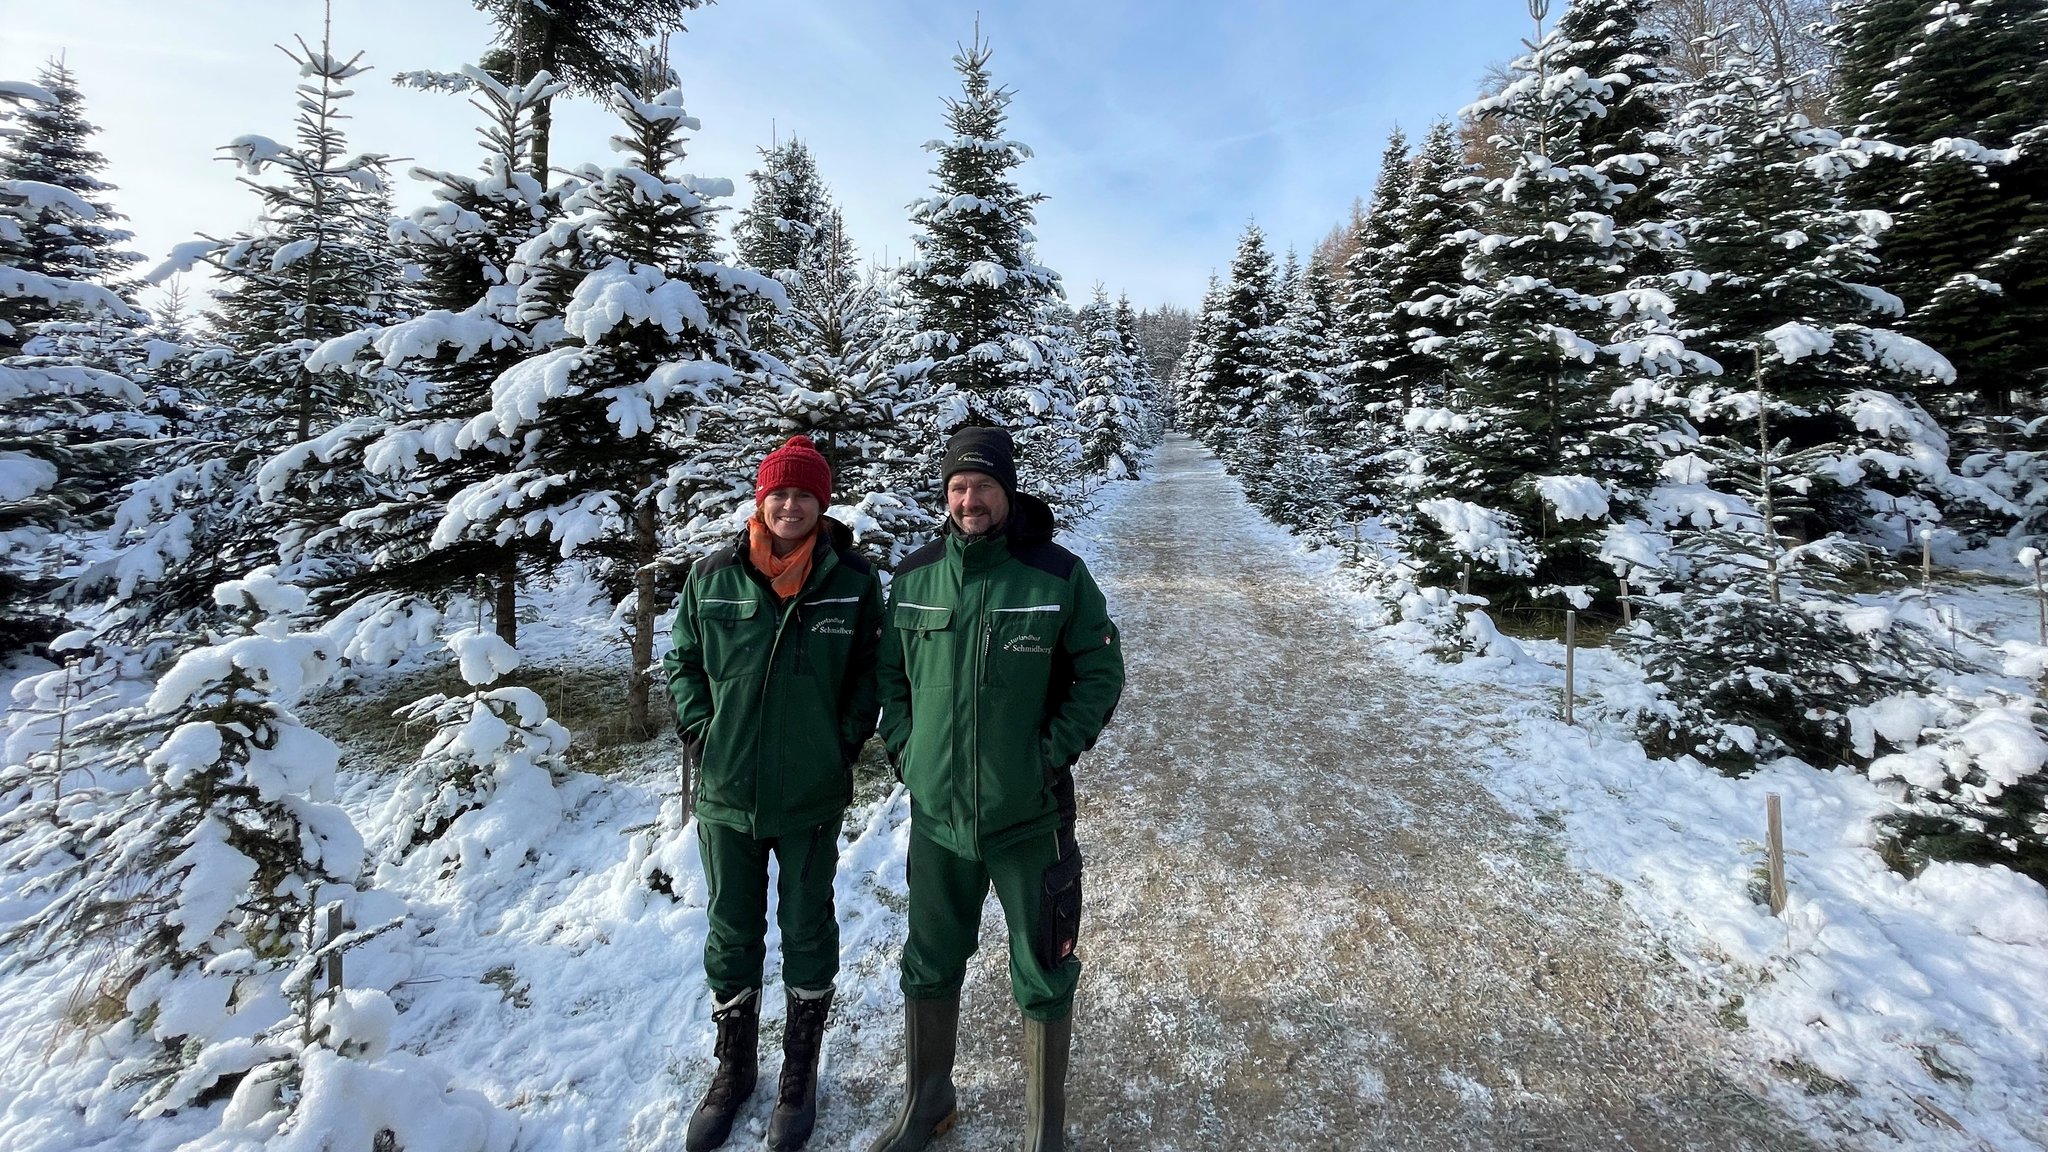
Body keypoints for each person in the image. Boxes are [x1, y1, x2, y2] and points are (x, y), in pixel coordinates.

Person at [868, 426, 1125, 1152]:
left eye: (982, 486)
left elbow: (1101, 672)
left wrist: (1048, 756)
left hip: (1028, 819)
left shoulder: (1055, 575)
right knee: (928, 959)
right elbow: (891, 675)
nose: (968, 499)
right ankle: (929, 1101)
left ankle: (1044, 1131)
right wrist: (908, 750)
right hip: (938, 819)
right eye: (956, 487)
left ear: (1007, 493)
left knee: (1043, 968)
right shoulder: (915, 577)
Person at [664, 434, 884, 1152]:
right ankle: (733, 1067)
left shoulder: (851, 578)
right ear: (761, 500)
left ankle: (799, 1067)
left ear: (822, 503)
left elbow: (869, 671)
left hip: (811, 794)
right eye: (778, 493)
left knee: (807, 926)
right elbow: (684, 660)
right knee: (731, 930)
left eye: (805, 494)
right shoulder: (713, 574)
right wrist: (701, 731)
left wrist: (844, 740)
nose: (790, 504)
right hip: (727, 793)